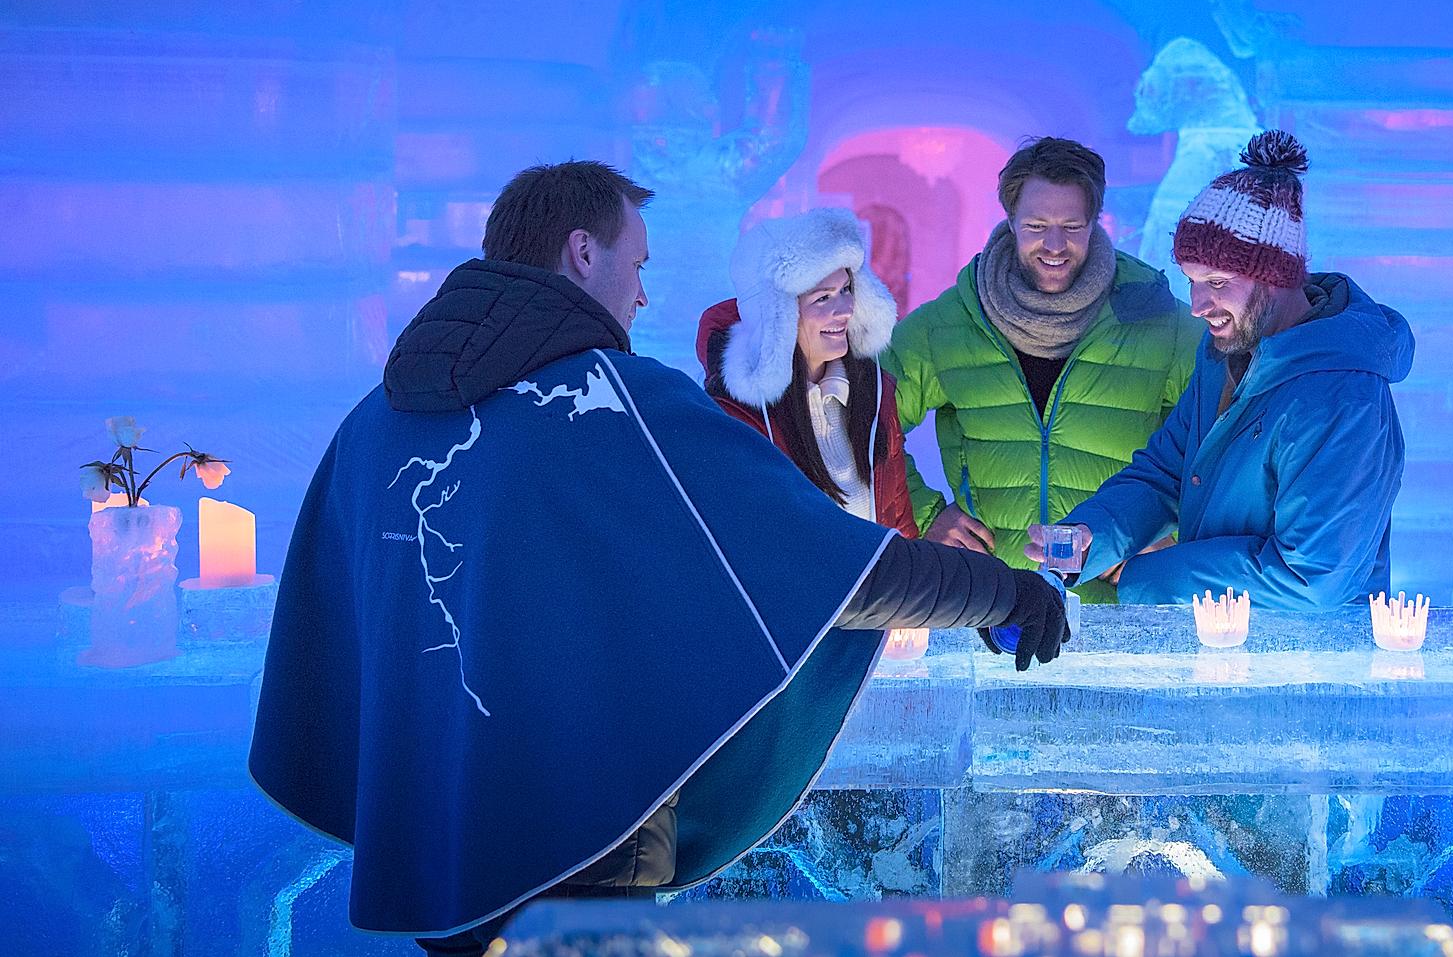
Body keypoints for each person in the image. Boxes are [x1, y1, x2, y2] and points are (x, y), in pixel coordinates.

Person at [249, 162, 1065, 956]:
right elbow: (830, 567)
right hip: (587, 852)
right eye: (636, 264)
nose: (641, 293)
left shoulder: (374, 423)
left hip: (433, 841)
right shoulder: (619, 404)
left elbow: (325, 621)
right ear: (580, 253)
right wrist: (1006, 593)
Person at [1028, 131, 1411, 609]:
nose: (1197, 305)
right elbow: (1165, 474)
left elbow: (1313, 578)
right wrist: (1093, 535)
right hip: (1222, 645)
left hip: (1309, 670)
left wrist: (1147, 577)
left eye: (1217, 282)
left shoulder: (1343, 398)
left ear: (1277, 279)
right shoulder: (1226, 357)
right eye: (1191, 280)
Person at [883, 137, 1205, 601]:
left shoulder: (1158, 323)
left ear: (1095, 223)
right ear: (1010, 221)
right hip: (990, 604)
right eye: (1036, 225)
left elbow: (1224, 437)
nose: (1055, 245)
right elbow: (861, 417)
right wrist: (925, 514)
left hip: (1114, 617)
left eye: (1072, 226)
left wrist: (1169, 528)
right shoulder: (949, 325)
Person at [696, 208, 917, 533]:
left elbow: (899, 527)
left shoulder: (875, 394)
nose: (845, 310)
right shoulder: (736, 420)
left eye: (846, 290)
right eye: (823, 298)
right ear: (777, 320)